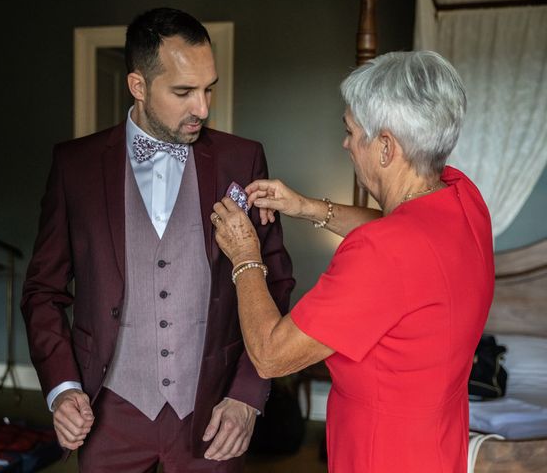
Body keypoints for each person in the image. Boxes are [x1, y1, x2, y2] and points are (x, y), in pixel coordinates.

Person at [21, 7, 294, 472]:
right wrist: (63, 388)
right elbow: (42, 292)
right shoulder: (75, 166)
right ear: (139, 86)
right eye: (184, 92)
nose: (203, 108)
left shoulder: (242, 159)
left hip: (213, 412)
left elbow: (276, 283)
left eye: (209, 89)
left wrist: (247, 395)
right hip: (109, 410)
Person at [211, 50, 494, 472]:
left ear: (385, 147)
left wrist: (245, 255)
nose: (345, 143)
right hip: (438, 446)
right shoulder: (462, 197)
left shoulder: (382, 254)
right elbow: (403, 223)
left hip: (381, 456)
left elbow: (271, 354)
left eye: (351, 130)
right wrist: (306, 206)